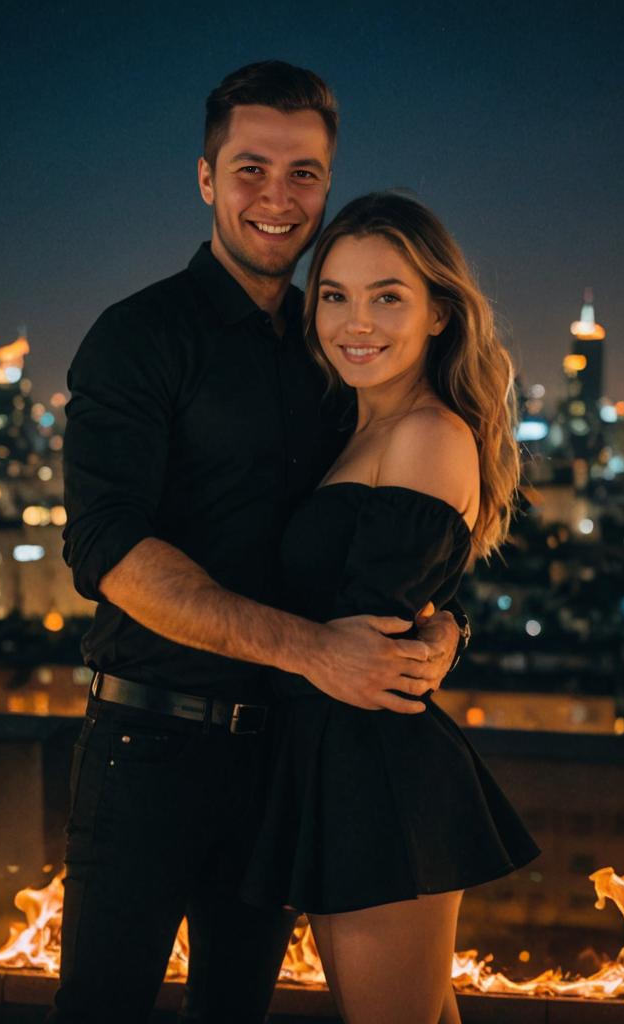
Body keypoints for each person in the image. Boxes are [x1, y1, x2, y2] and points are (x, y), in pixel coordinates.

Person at [52, 64, 464, 1024]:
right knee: (99, 1011)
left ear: (329, 181)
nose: (277, 198)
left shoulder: (340, 349)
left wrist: (441, 627)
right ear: (205, 178)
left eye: (305, 173)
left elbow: (377, 530)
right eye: (250, 168)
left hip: (286, 755)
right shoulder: (139, 336)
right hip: (149, 745)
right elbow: (109, 550)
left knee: (236, 1014)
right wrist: (315, 650)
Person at [240, 192, 541, 1024]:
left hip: (378, 775)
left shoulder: (426, 434)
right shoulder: (359, 427)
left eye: (388, 296)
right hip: (340, 767)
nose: (354, 321)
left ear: (440, 313)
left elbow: (376, 628)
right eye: (334, 294)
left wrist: (438, 632)